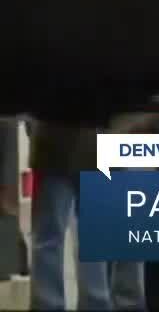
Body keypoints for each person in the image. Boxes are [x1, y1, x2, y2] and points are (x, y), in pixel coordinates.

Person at [29, 120, 145, 310]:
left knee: (52, 235)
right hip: (71, 144)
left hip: (65, 143)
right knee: (60, 234)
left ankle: (61, 303)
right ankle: (90, 301)